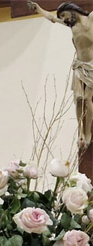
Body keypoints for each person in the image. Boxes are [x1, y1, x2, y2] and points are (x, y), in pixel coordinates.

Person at [29, 1, 93, 151]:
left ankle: (88, 132)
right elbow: (51, 18)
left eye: (64, 15)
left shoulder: (91, 18)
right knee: (79, 99)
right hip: (79, 65)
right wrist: (38, 8)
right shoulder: (72, 26)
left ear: (72, 10)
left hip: (92, 66)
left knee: (87, 98)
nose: (65, 20)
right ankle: (80, 133)